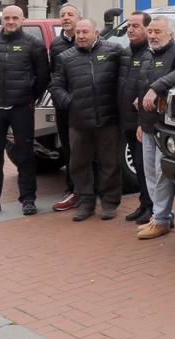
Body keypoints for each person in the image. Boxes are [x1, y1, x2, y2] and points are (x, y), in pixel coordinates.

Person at [0, 5, 50, 218]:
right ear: (2, 20)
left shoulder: (34, 45)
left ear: (23, 20)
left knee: (25, 155)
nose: (11, 21)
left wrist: (28, 96)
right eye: (7, 18)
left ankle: (28, 199)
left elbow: (42, 76)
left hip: (21, 108)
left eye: (15, 18)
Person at [49, 18, 123, 221]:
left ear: (96, 33)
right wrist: (70, 102)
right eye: (78, 32)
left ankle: (109, 203)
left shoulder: (113, 51)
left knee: (110, 163)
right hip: (79, 121)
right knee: (79, 164)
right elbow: (55, 86)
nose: (81, 36)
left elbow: (125, 78)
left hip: (107, 119)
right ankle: (86, 203)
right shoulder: (65, 57)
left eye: (85, 32)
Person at [134, 16, 175, 240]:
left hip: (166, 126)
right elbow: (142, 91)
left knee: (161, 175)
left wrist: (155, 88)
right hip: (148, 125)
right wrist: (141, 121)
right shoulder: (148, 56)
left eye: (157, 31)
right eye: (150, 31)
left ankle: (160, 220)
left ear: (170, 34)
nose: (152, 36)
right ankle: (162, 216)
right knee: (150, 173)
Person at [116, 11, 154, 223]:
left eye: (135, 26)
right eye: (129, 26)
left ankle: (152, 207)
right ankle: (144, 204)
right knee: (139, 166)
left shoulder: (151, 56)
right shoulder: (124, 54)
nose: (130, 30)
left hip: (142, 122)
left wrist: (141, 120)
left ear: (147, 30)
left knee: (145, 165)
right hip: (126, 120)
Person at [50, 3, 81, 212]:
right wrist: (60, 98)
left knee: (87, 149)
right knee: (69, 148)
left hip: (86, 105)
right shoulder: (56, 45)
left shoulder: (89, 40)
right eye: (63, 15)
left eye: (70, 14)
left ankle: (88, 188)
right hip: (64, 107)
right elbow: (53, 76)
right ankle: (72, 188)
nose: (66, 18)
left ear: (79, 17)